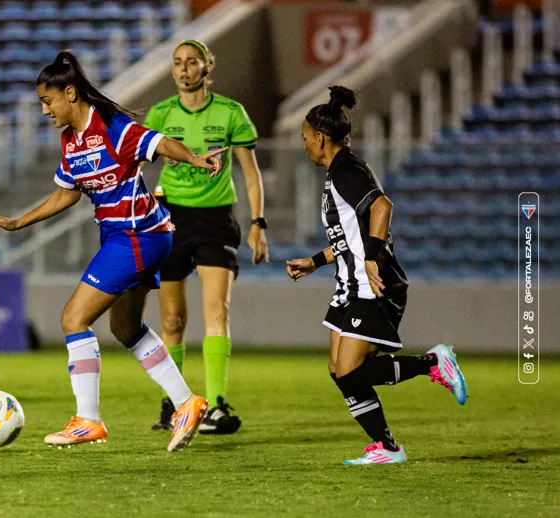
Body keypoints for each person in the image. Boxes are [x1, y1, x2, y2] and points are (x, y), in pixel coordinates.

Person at [0, 51, 224, 452]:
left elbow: (160, 142)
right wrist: (17, 222)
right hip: (128, 237)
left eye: (47, 101)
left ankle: (88, 420)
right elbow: (66, 195)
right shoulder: (71, 140)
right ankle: (187, 403)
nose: (45, 111)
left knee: (73, 319)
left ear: (70, 94)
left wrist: (194, 158)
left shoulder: (112, 127)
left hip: (137, 235)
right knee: (125, 329)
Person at [286, 86, 468, 465]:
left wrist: (370, 259)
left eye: (305, 138)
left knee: (351, 373)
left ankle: (434, 364)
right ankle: (386, 447)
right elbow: (349, 237)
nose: (303, 145)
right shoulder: (339, 172)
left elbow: (383, 207)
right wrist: (315, 262)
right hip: (349, 285)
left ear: (320, 138)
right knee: (338, 370)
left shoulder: (347, 171)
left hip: (372, 285)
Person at [143, 40, 269, 434]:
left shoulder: (231, 113)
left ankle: (216, 406)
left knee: (218, 312)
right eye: (177, 63)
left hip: (215, 220)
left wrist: (258, 223)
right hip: (170, 219)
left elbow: (251, 174)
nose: (183, 69)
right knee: (172, 319)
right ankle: (175, 404)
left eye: (191, 62)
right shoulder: (160, 114)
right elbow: (134, 167)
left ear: (207, 67)